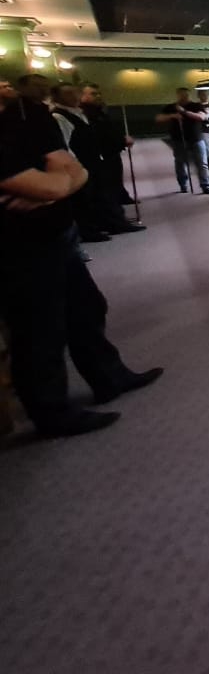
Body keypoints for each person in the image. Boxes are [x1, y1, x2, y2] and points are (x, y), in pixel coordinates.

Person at [0, 77, 163, 437]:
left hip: (58, 234)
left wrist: (56, 186)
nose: (4, 83)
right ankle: (52, 414)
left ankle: (110, 377)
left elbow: (76, 172)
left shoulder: (27, 117)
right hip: (16, 247)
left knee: (88, 309)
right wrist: (58, 183)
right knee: (39, 331)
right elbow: (56, 181)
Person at [52, 82, 144, 236]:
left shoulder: (81, 112)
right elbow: (64, 145)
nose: (74, 96)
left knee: (102, 194)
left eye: (75, 93)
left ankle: (109, 223)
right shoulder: (59, 116)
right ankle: (92, 229)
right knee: (87, 198)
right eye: (68, 93)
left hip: (96, 159)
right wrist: (75, 166)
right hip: (81, 163)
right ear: (57, 97)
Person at [81, 82, 136, 208]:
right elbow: (100, 134)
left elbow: (110, 129)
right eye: (93, 94)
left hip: (112, 151)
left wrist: (122, 139)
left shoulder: (98, 110)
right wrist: (122, 141)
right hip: (101, 153)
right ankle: (115, 209)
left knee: (116, 177)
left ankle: (121, 197)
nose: (98, 96)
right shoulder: (86, 113)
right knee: (107, 183)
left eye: (98, 94)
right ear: (82, 95)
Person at [157, 87, 209, 194]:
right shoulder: (171, 107)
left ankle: (206, 185)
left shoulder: (196, 105)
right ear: (177, 95)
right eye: (181, 94)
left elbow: (201, 117)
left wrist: (184, 112)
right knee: (180, 163)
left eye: (186, 95)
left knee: (202, 163)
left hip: (196, 138)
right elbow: (159, 118)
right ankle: (183, 185)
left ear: (189, 95)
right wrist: (173, 115)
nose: (184, 97)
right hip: (178, 139)